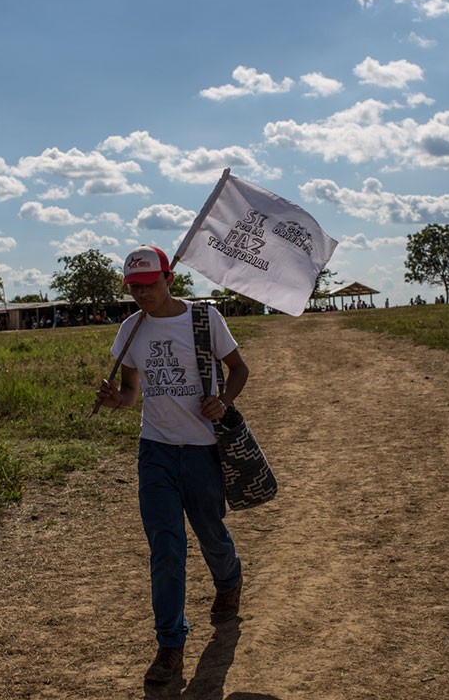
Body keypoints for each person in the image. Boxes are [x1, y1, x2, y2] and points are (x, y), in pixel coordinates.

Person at [95, 245, 249, 685]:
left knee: (210, 533)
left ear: (170, 279)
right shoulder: (130, 329)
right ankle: (170, 645)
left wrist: (224, 400)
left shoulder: (205, 320)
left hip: (202, 449)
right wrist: (115, 402)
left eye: (149, 285)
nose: (142, 295)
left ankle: (229, 579)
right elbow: (130, 392)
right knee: (166, 548)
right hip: (156, 451)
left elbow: (238, 369)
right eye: (134, 288)